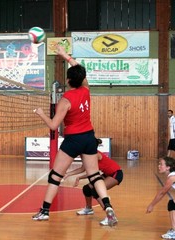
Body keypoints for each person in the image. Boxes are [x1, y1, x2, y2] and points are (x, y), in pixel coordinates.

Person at [32, 45, 117, 226]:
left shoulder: (66, 99)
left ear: (69, 80)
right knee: (94, 176)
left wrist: (41, 113)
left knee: (55, 176)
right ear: (81, 79)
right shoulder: (86, 89)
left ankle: (44, 211)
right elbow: (80, 72)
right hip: (88, 137)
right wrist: (65, 55)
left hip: (73, 139)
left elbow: (54, 125)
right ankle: (108, 207)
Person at [64, 138, 123, 226]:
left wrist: (78, 177)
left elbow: (92, 172)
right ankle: (89, 209)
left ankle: (111, 216)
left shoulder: (95, 155)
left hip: (116, 174)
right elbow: (83, 169)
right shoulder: (86, 155)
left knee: (96, 191)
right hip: (107, 174)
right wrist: (68, 174)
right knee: (87, 189)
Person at [146, 156, 175, 239]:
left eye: (161, 164)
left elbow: (162, 193)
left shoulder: (172, 178)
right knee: (172, 203)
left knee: (172, 204)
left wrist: (151, 205)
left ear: (168, 167)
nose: (159, 166)